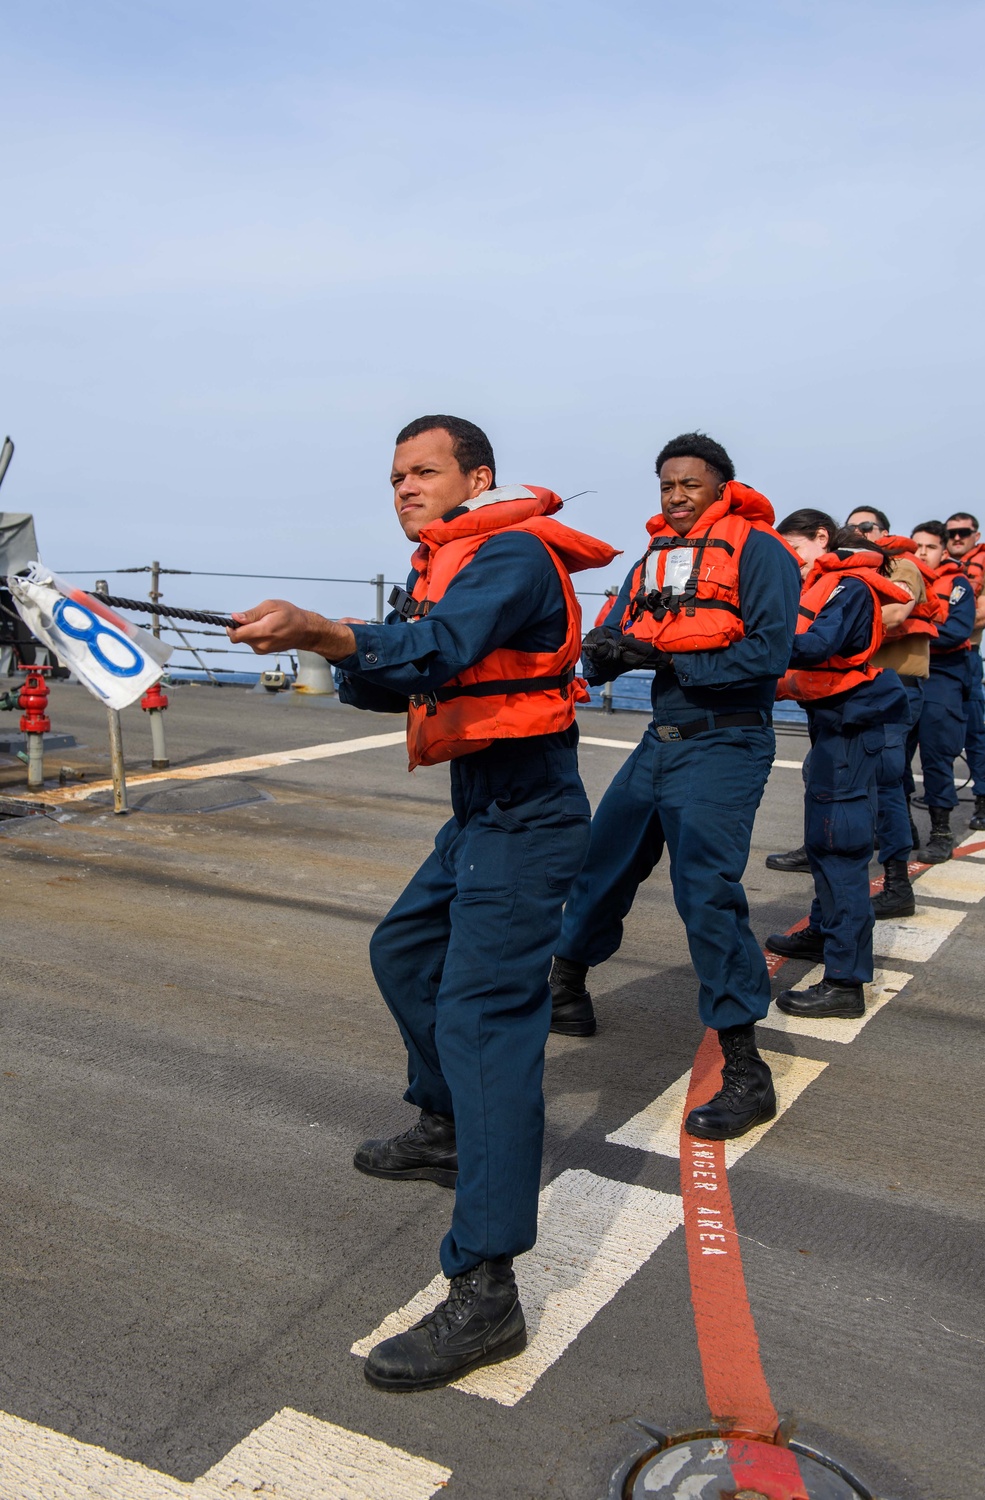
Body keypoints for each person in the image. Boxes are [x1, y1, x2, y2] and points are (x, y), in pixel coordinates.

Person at [228, 414, 617, 1392]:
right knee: (404, 954)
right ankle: (446, 1129)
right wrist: (334, 650)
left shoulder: (511, 555)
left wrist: (326, 630)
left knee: (484, 1024)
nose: (404, 487)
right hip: (477, 817)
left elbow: (437, 648)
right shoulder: (442, 563)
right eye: (395, 474)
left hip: (527, 818)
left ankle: (488, 1292)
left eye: (423, 471)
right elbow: (396, 676)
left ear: (476, 476)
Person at [548, 431, 802, 1140]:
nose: (677, 496)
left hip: (726, 739)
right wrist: (601, 655)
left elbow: (769, 653)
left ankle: (748, 1072)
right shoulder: (655, 559)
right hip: (659, 740)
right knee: (601, 863)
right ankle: (566, 992)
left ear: (722, 487)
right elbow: (615, 636)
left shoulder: (761, 553)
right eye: (667, 486)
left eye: (690, 484)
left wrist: (662, 655)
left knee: (707, 894)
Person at [765, 516, 910, 1020]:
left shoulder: (847, 587)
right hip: (836, 721)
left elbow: (816, 645)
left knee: (840, 845)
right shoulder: (838, 584)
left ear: (825, 545)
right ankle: (823, 933)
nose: (791, 561)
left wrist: (750, 636)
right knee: (827, 841)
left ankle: (845, 982)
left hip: (851, 728)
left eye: (795, 550)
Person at [847, 507, 944, 917]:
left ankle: (898, 884)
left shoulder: (902, 565)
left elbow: (897, 612)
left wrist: (837, 623)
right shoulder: (851, 570)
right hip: (854, 685)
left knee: (889, 782)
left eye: (867, 527)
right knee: (834, 774)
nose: (860, 533)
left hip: (895, 686)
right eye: (852, 528)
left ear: (884, 532)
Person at [908, 522, 977, 862]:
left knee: (936, 756)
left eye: (930, 547)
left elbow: (957, 631)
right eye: (917, 546)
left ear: (943, 552)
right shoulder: (905, 579)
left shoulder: (958, 585)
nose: (921, 552)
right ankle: (902, 825)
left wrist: (912, 626)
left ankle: (941, 831)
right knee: (896, 759)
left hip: (943, 676)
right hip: (906, 674)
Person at [945, 511, 985, 829]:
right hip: (933, 659)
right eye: (950, 532)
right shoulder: (938, 568)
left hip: (966, 657)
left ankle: (984, 798)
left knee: (974, 731)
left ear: (975, 535)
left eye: (963, 532)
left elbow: (980, 617)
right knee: (919, 733)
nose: (957, 537)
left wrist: (940, 617)